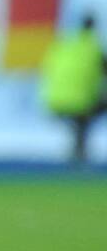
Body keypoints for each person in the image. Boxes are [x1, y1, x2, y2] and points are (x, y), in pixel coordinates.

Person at [40, 14, 106, 163]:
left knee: (78, 122)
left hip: (54, 100)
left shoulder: (63, 45)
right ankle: (80, 149)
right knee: (85, 117)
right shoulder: (94, 49)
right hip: (81, 101)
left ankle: (78, 147)